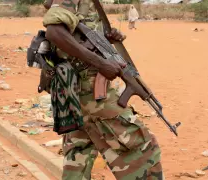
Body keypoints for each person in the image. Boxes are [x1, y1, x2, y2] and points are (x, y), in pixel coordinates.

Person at [42, 0, 164, 179]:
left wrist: (105, 38)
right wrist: (100, 63)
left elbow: (75, 32)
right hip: (90, 92)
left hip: (74, 90)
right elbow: (55, 32)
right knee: (142, 148)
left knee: (79, 153)